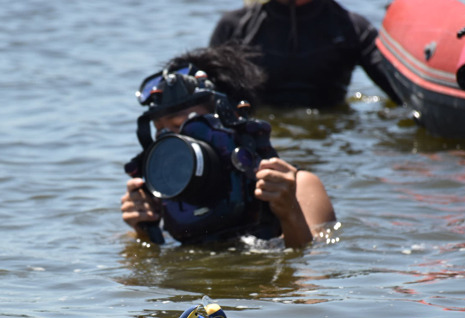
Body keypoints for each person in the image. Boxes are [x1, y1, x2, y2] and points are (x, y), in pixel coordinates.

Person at [120, 45, 335, 249]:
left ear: (229, 119)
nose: (170, 142)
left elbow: (312, 272)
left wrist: (290, 214)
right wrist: (143, 231)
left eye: (181, 126)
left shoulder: (295, 186)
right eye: (161, 131)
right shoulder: (165, 196)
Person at [209, 0, 402, 108]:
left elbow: (401, 92)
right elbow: (209, 97)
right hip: (264, 128)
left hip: (330, 136)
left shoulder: (352, 27)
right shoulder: (234, 27)